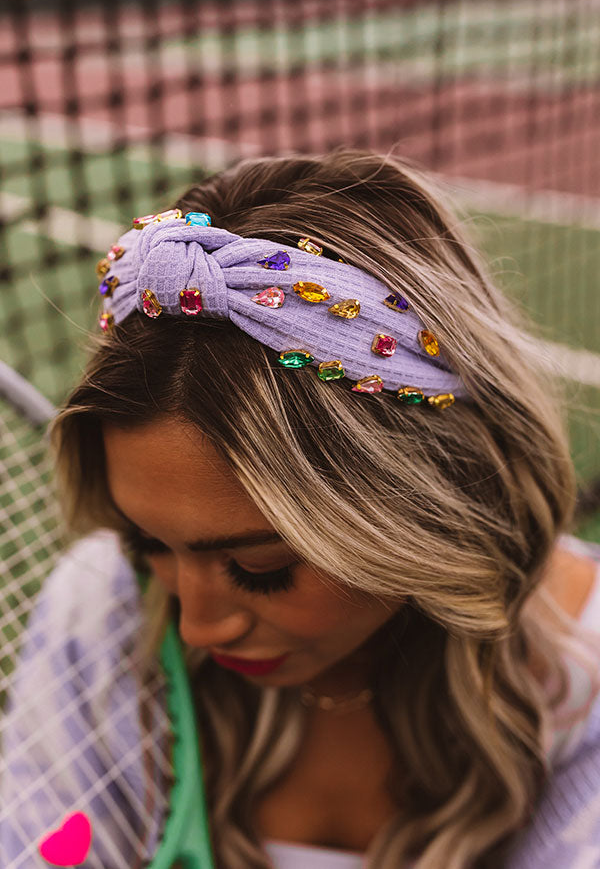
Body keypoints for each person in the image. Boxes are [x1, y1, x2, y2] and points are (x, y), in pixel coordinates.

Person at [2, 148, 600, 869]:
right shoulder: (103, 608)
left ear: (423, 504)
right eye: (146, 543)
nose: (196, 626)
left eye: (260, 567)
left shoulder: (584, 680)